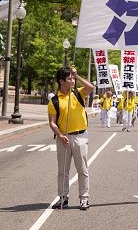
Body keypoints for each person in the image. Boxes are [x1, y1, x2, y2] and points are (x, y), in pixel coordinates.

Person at [48, 66, 93, 210]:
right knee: (63, 171)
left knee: (82, 170)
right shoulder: (54, 100)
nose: (72, 81)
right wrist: (60, 135)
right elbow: (52, 122)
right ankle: (63, 198)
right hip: (63, 138)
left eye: (73, 78)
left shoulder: (78, 93)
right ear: (61, 81)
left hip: (80, 136)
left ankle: (84, 198)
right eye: (69, 79)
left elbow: (90, 87)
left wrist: (77, 75)